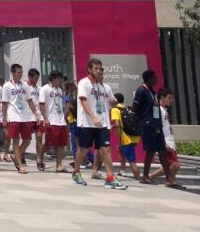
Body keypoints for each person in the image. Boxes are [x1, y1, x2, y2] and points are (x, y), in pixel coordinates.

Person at [72, 58, 127, 189]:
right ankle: (76, 171)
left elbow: (112, 102)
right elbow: (83, 102)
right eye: (95, 68)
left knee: (105, 149)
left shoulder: (105, 87)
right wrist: (93, 117)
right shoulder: (83, 83)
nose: (98, 71)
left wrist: (115, 103)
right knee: (84, 149)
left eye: (100, 69)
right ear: (89, 69)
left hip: (103, 124)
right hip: (87, 122)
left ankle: (109, 177)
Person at [0, 64, 42, 174]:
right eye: (18, 72)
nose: (21, 74)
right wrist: (4, 118)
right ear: (12, 73)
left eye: (21, 72)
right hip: (13, 116)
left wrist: (36, 113)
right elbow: (4, 103)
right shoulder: (7, 86)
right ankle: (20, 165)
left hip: (25, 116)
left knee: (27, 140)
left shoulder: (25, 85)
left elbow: (30, 100)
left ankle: (15, 156)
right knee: (16, 141)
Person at [133, 69, 175, 187]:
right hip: (147, 125)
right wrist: (138, 123)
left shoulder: (153, 92)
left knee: (162, 152)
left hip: (157, 126)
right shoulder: (141, 91)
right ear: (149, 78)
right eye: (154, 77)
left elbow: (155, 109)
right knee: (150, 151)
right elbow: (135, 108)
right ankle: (145, 176)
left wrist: (158, 123)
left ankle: (169, 179)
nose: (156, 79)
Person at [149, 88, 182, 185]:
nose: (171, 100)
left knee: (170, 164)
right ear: (162, 97)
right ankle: (153, 177)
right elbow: (154, 125)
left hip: (170, 141)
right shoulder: (156, 108)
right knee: (175, 165)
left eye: (172, 98)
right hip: (165, 141)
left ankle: (170, 182)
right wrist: (163, 142)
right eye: (169, 98)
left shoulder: (164, 109)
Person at [38, 71, 68, 172]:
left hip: (61, 120)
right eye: (60, 79)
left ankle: (59, 165)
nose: (61, 81)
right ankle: (40, 158)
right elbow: (41, 104)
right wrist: (45, 118)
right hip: (51, 120)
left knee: (61, 144)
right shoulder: (45, 89)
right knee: (48, 143)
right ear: (54, 78)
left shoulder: (60, 90)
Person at [112, 92, 142, 181]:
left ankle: (139, 178)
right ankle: (122, 170)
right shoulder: (127, 108)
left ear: (115, 100)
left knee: (132, 161)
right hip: (135, 137)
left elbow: (117, 124)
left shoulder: (115, 110)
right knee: (119, 149)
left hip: (126, 139)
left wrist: (119, 135)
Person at [27, 69, 46, 171]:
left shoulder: (40, 88)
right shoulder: (25, 88)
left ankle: (39, 159)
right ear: (30, 77)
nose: (36, 80)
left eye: (38, 78)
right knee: (27, 139)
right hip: (28, 117)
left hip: (39, 116)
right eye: (35, 78)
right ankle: (20, 156)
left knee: (39, 137)